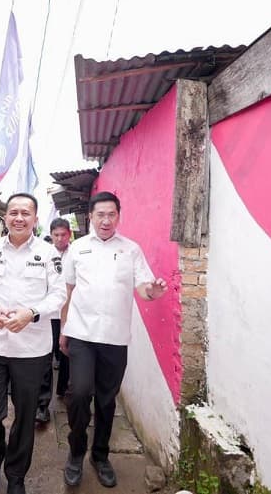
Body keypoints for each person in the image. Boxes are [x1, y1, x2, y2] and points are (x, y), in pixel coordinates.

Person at [60, 191, 168, 488]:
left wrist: (153, 292)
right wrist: (64, 329)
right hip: (82, 334)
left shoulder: (131, 250)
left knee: (107, 400)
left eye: (111, 215)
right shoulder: (77, 248)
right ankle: (76, 451)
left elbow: (144, 287)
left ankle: (100, 455)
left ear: (119, 216)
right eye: (100, 215)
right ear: (90, 217)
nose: (106, 220)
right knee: (79, 394)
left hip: (115, 337)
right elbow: (67, 292)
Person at [0, 192, 67, 494]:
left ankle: (16, 474)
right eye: (13, 212)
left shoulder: (48, 253)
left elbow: (58, 295)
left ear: (35, 219)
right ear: (5, 217)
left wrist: (32, 313)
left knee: (25, 416)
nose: (19, 218)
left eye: (26, 213)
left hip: (32, 350)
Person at [35, 217, 73, 423]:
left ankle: (64, 390)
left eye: (63, 235)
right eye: (56, 235)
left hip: (70, 314)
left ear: (69, 234)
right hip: (48, 314)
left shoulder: (76, 254)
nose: (59, 238)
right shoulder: (42, 253)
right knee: (46, 357)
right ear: (51, 235)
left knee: (67, 354)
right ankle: (42, 405)